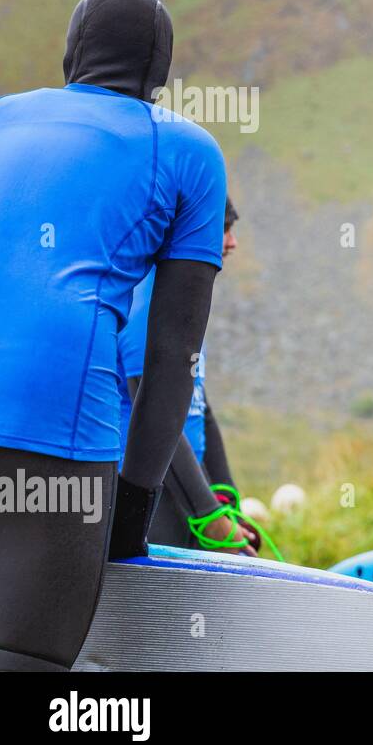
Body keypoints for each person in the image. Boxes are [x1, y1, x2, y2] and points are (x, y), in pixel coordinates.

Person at [0, 0, 227, 670]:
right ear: (158, 74)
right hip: (58, 420)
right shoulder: (188, 150)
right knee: (28, 662)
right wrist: (133, 507)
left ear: (72, 53)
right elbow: (173, 352)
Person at [118, 197, 255, 552]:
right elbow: (153, 415)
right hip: (151, 496)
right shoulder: (145, 300)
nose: (232, 242)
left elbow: (201, 411)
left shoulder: (177, 299)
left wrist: (227, 502)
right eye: (223, 229)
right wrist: (210, 517)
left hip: (186, 492)